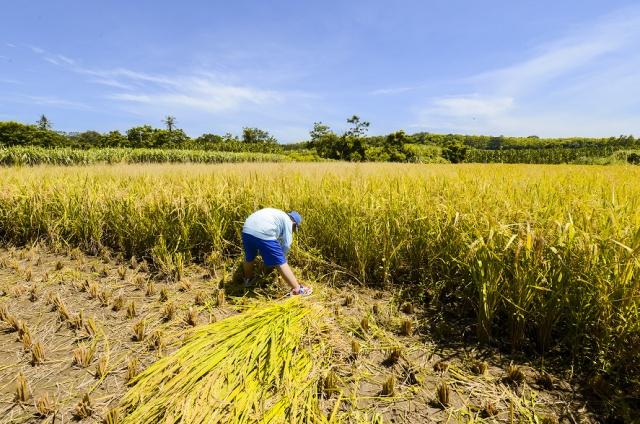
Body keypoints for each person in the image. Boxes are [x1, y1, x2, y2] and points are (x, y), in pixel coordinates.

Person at [241, 208, 313, 296]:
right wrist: (280, 259)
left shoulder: (278, 214)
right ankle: (298, 290)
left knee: (249, 256)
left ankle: (248, 280)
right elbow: (286, 244)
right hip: (263, 232)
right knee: (281, 261)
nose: (293, 230)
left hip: (247, 229)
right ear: (294, 223)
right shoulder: (288, 222)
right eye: (294, 228)